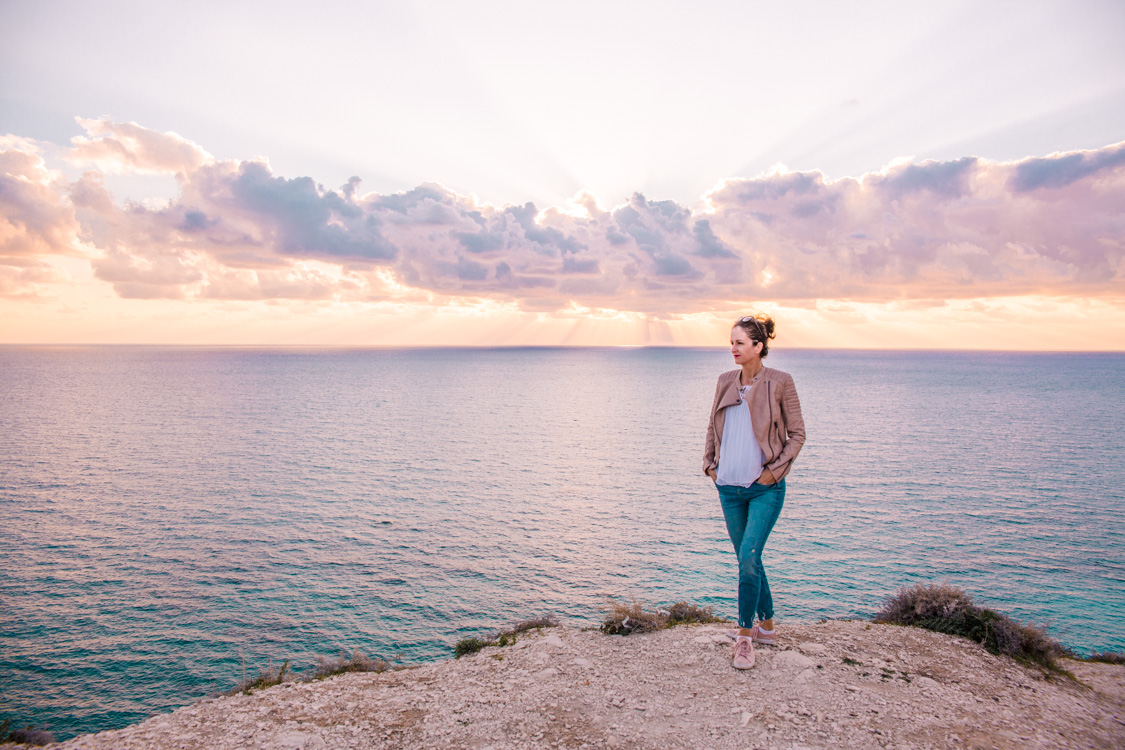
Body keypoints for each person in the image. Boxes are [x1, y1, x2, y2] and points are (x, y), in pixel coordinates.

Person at [703, 314, 806, 669]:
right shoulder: (725, 381)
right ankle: (769, 627)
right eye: (731, 342)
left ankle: (745, 637)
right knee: (750, 560)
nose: (732, 348)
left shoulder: (780, 382)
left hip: (764, 488)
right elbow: (713, 426)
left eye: (740, 343)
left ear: (758, 347)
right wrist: (709, 467)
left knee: (748, 558)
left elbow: (798, 434)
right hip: (728, 487)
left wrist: (774, 472)